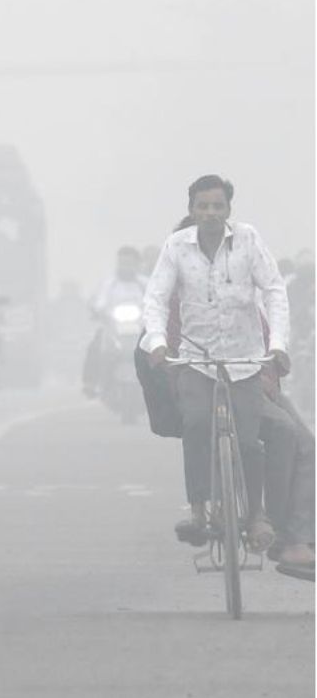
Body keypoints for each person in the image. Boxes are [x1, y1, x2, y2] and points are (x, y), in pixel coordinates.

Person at [143, 175, 300, 557]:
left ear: (229, 210)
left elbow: (274, 291)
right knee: (197, 423)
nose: (211, 213)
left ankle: (258, 515)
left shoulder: (248, 239)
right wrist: (158, 342)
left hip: (244, 360)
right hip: (196, 360)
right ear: (192, 210)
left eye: (218, 206)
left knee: (249, 441)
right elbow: (156, 297)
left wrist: (278, 345)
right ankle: (198, 510)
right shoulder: (176, 246)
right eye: (203, 206)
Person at [82, 246, 147, 398]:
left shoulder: (145, 283)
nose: (125, 267)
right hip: (113, 327)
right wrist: (99, 312)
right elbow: (99, 302)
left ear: (137, 265)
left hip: (141, 328)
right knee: (95, 344)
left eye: (129, 263)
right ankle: (92, 383)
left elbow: (156, 300)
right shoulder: (108, 284)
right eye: (122, 263)